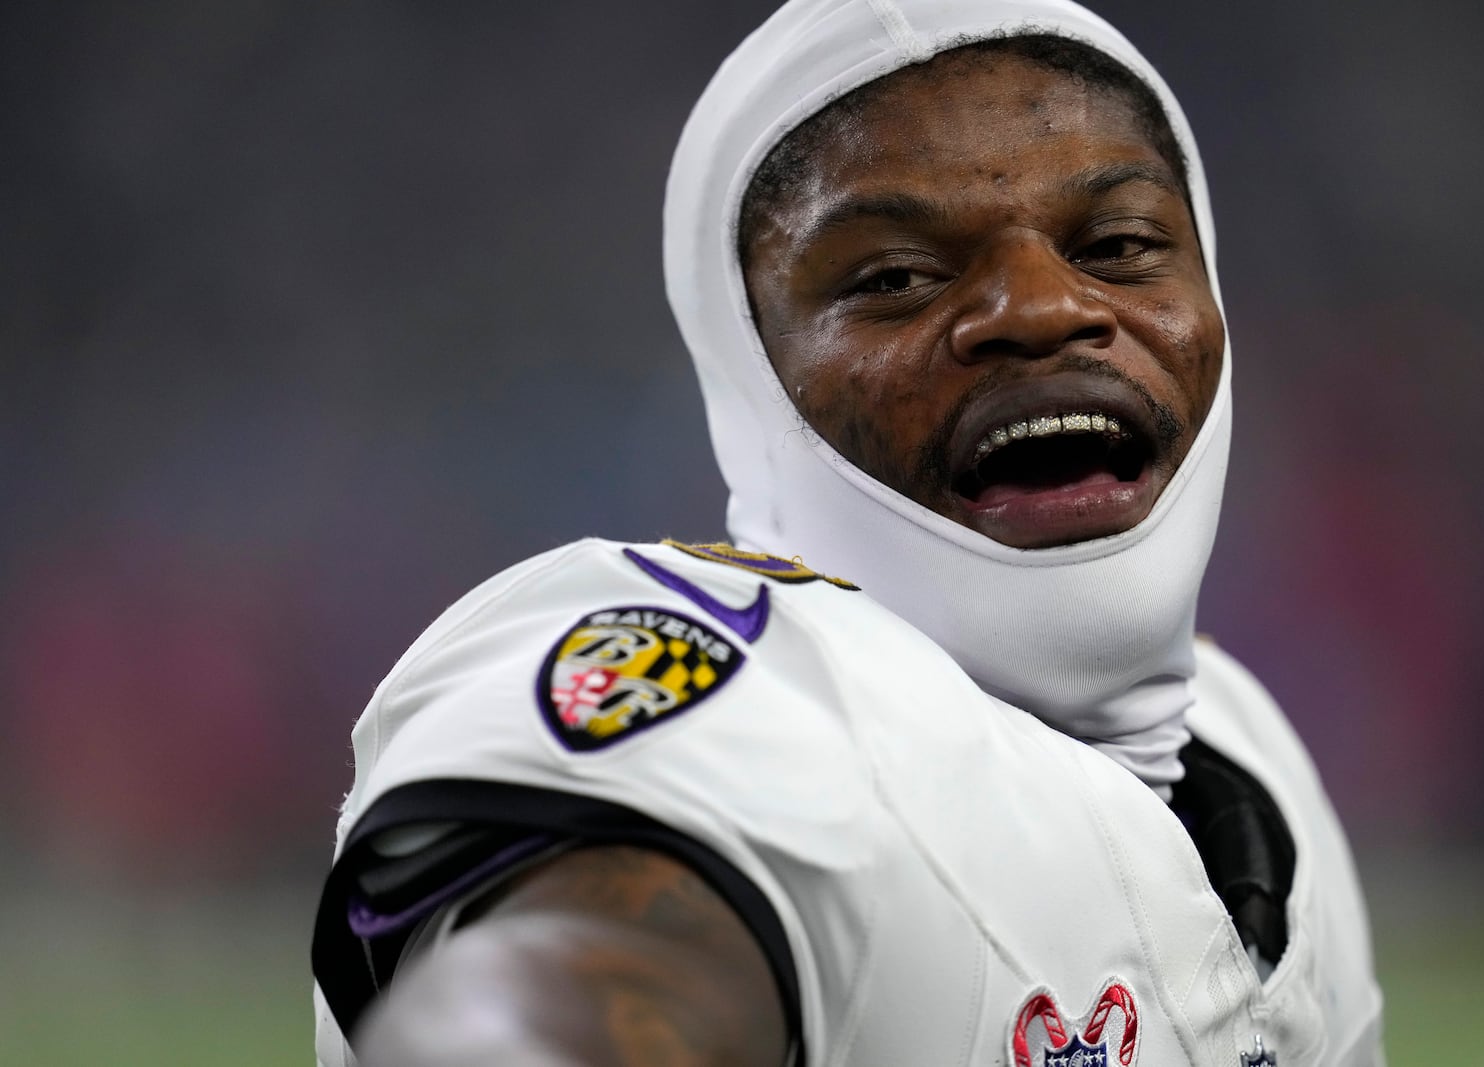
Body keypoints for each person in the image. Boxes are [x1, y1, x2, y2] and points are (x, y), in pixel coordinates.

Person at [312, 0, 1386, 1063]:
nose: (1040, 305)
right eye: (894, 278)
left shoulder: (1250, 747)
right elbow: (556, 984)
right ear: (750, 376)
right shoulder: (739, 702)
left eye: (1117, 243)